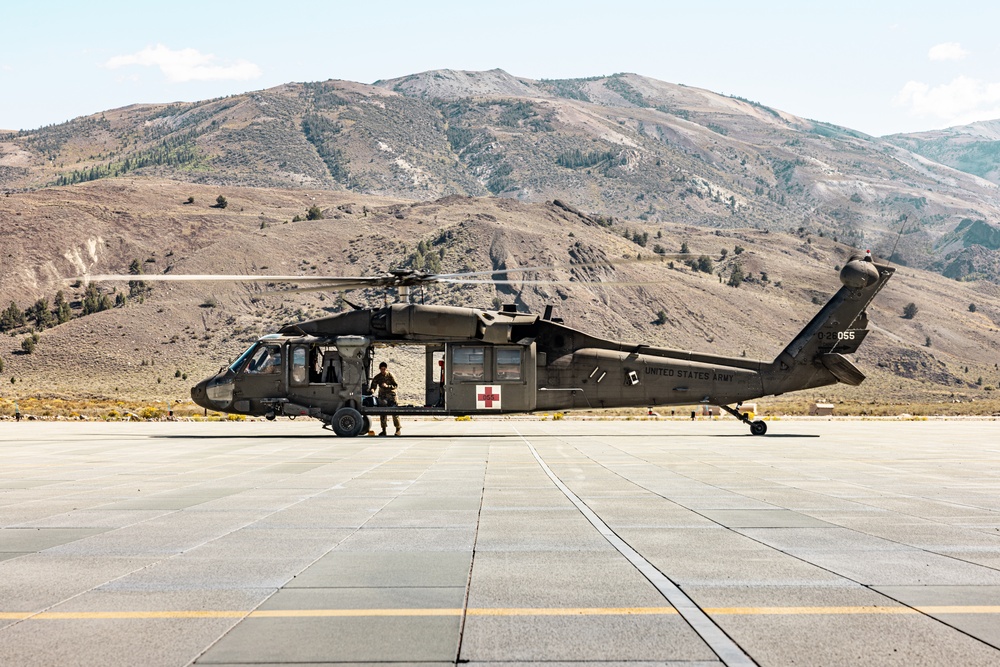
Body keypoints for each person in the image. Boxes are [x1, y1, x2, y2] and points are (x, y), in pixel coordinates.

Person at [371, 361, 401, 436]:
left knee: (395, 413)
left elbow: (395, 385)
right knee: (383, 413)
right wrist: (372, 389)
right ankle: (383, 430)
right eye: (382, 369)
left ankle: (398, 429)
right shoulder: (378, 377)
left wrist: (388, 386)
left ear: (386, 369)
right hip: (382, 397)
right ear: (380, 369)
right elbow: (373, 385)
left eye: (384, 369)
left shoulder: (390, 375)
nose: (383, 371)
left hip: (391, 397)